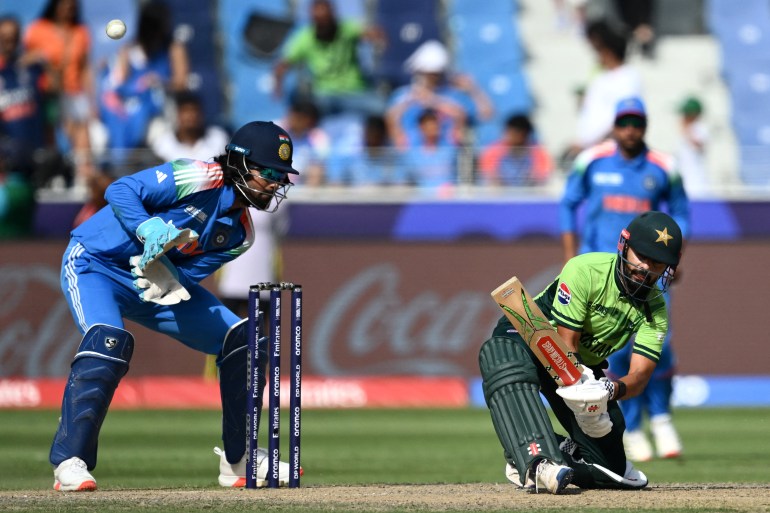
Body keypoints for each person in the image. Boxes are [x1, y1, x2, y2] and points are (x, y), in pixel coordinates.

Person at [49, 121, 301, 491]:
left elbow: (185, 276)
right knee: (109, 341)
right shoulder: (197, 175)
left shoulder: (241, 234)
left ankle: (239, 459)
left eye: (282, 177)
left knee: (246, 341)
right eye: (271, 173)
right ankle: (70, 461)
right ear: (240, 164)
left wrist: (167, 275)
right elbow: (121, 190)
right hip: (95, 264)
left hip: (152, 281)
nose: (277, 184)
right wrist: (148, 229)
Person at [480, 210, 684, 493]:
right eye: (642, 256)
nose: (646, 268)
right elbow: (566, 343)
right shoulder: (586, 269)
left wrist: (608, 390)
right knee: (499, 354)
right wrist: (582, 385)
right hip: (532, 340)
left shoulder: (656, 309)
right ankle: (536, 461)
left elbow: (639, 377)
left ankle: (536, 452)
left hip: (580, 369)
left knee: (611, 470)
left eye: (658, 263)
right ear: (623, 245)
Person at [560, 97, 689, 463]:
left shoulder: (664, 166)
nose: (630, 129)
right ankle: (631, 429)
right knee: (612, 352)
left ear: (645, 126)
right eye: (624, 122)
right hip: (602, 276)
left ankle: (662, 417)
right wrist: (571, 253)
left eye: (637, 122)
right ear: (614, 126)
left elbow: (682, 212)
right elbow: (567, 203)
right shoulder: (591, 160)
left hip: (646, 276)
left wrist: (671, 262)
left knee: (658, 348)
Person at [98, 0, 189, 151]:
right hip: (132, 111)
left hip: (162, 112)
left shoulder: (174, 48)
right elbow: (121, 83)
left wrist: (160, 83)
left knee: (160, 134)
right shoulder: (128, 48)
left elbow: (181, 83)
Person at [23, 0, 96, 187]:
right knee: (50, 134)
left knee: (81, 129)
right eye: (64, 5)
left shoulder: (81, 31)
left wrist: (92, 99)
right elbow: (23, 60)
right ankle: (52, 174)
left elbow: (86, 67)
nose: (68, 9)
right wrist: (41, 58)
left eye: (72, 6)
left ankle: (83, 177)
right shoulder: (38, 29)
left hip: (74, 93)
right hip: (47, 93)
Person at [272, 0, 386, 117]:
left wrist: (376, 37)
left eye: (326, 20)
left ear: (333, 17)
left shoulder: (346, 28)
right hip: (323, 95)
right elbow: (283, 64)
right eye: (319, 21)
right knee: (302, 109)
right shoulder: (305, 37)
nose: (323, 24)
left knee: (382, 108)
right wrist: (278, 86)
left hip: (355, 91)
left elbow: (371, 33)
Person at [385, 40, 493, 150]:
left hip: (447, 159)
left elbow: (486, 115)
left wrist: (473, 90)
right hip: (411, 160)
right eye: (428, 73)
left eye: (436, 74)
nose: (432, 78)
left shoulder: (453, 96)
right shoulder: (401, 96)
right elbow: (392, 123)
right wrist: (412, 99)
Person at [566, 20, 641, 160]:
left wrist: (594, 144)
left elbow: (623, 116)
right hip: (591, 150)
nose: (597, 55)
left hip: (609, 150)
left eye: (599, 50)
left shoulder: (628, 77)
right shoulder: (600, 78)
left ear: (609, 51)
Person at [148, 90, 230, 163]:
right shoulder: (163, 144)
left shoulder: (218, 139)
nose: (191, 116)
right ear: (178, 114)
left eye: (194, 110)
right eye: (186, 111)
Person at [477, 114, 554, 186]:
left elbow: (542, 177)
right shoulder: (493, 151)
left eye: (515, 133)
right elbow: (488, 176)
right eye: (509, 132)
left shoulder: (537, 152)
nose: (510, 136)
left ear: (524, 134)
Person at [675, 96, 709, 197]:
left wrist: (686, 131)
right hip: (685, 181)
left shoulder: (700, 128)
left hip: (696, 183)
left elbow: (699, 144)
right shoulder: (687, 130)